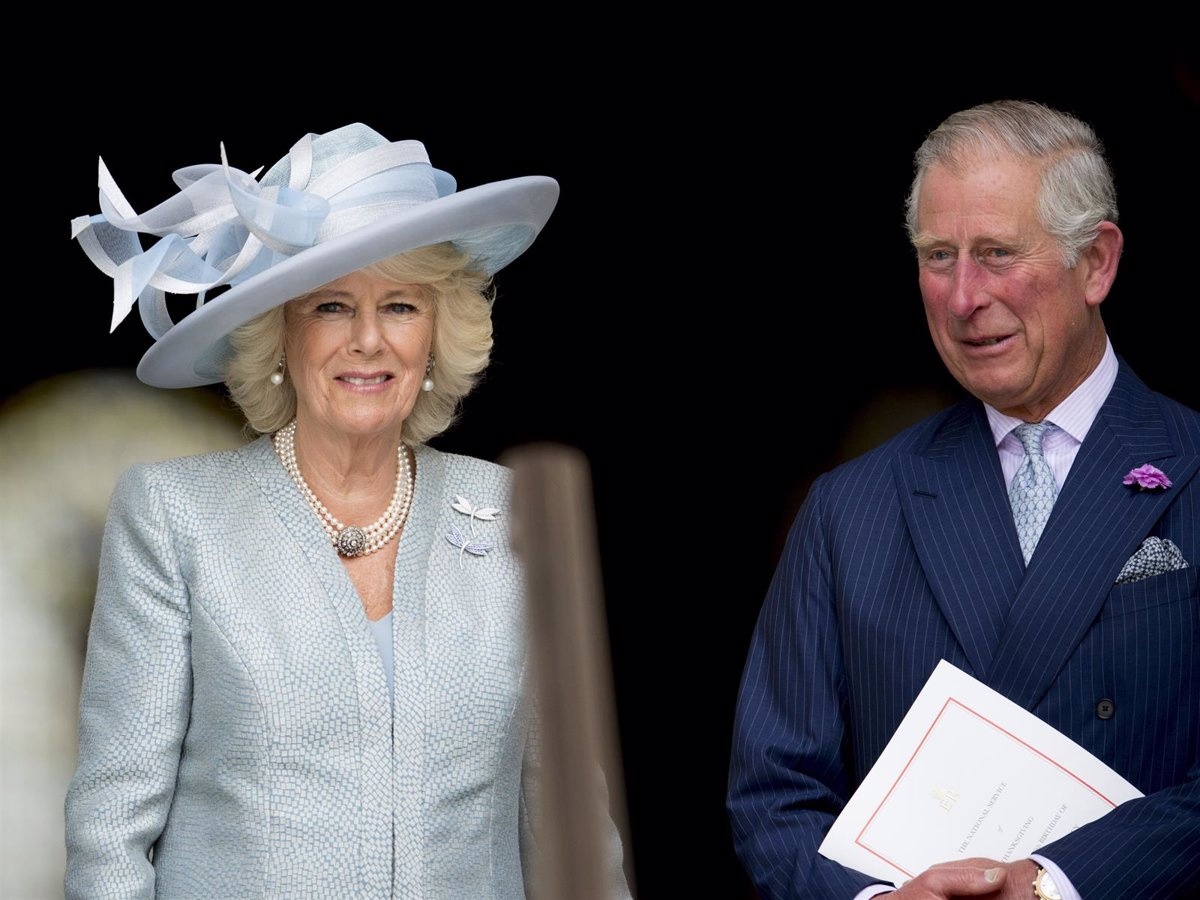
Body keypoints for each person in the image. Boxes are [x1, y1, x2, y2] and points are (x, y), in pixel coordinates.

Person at [65, 123, 632, 898]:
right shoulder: (175, 517)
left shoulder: (512, 518)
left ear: (436, 335)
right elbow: (110, 834)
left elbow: (574, 832)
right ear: (279, 336)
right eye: (331, 306)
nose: (368, 341)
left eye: (400, 305)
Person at [727, 100, 1199, 899]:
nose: (962, 296)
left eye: (998, 253)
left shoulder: (1189, 464)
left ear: (1097, 263)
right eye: (938, 255)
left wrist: (1055, 883)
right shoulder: (850, 511)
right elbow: (773, 796)